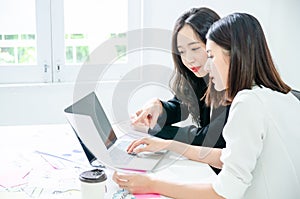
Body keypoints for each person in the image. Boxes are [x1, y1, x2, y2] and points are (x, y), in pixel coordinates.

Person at [113, 13, 300, 199]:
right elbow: (227, 156)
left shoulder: (247, 102)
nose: (207, 67)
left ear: (235, 55)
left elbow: (225, 192)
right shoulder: (279, 96)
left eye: (210, 55)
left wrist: (151, 184)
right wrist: (169, 143)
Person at [131, 7, 229, 168]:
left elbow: (209, 138)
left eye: (195, 48)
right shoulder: (199, 76)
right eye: (182, 52)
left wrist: (154, 131)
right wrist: (159, 108)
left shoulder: (231, 85)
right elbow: (180, 106)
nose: (188, 59)